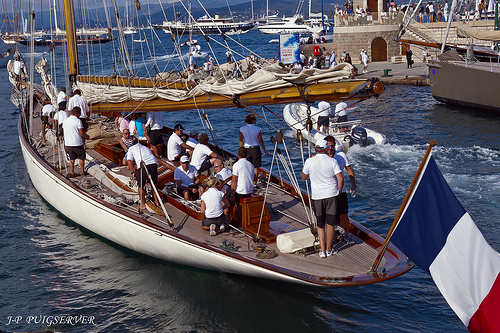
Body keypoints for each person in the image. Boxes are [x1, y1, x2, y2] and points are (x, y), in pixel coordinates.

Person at [301, 139, 343, 258]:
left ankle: (322, 251)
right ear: (326, 149)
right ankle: (329, 249)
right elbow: (340, 179)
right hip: (331, 195)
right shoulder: (332, 161)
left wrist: (305, 167)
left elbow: (303, 177)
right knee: (330, 224)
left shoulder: (310, 161)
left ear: (316, 149)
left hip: (317, 197)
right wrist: (338, 192)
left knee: (320, 224)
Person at [325, 136, 356, 245]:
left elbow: (349, 170)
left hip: (341, 191)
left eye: (332, 146)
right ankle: (331, 235)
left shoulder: (342, 156)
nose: (330, 148)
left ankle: (347, 233)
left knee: (344, 213)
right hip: (328, 192)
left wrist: (353, 184)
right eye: (328, 146)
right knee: (330, 215)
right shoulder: (322, 158)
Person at [126, 138, 160, 210]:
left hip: (143, 165)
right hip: (153, 163)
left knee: (141, 185)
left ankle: (142, 205)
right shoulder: (145, 148)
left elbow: (129, 160)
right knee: (154, 184)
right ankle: (157, 202)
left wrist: (132, 172)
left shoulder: (131, 148)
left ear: (133, 144)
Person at [239, 113, 268, 184]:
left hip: (246, 149)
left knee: (247, 166)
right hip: (255, 149)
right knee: (256, 167)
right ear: (253, 120)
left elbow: (241, 140)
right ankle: (254, 183)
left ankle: (247, 182)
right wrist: (264, 150)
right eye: (255, 119)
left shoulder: (242, 129)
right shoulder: (257, 129)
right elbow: (260, 140)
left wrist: (241, 150)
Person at [62, 107, 90, 178]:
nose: (80, 114)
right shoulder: (78, 121)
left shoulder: (65, 121)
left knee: (72, 159)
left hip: (69, 143)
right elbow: (81, 132)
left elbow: (64, 133)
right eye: (80, 113)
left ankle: (72, 172)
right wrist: (87, 136)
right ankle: (83, 171)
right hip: (77, 143)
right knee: (81, 158)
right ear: (76, 113)